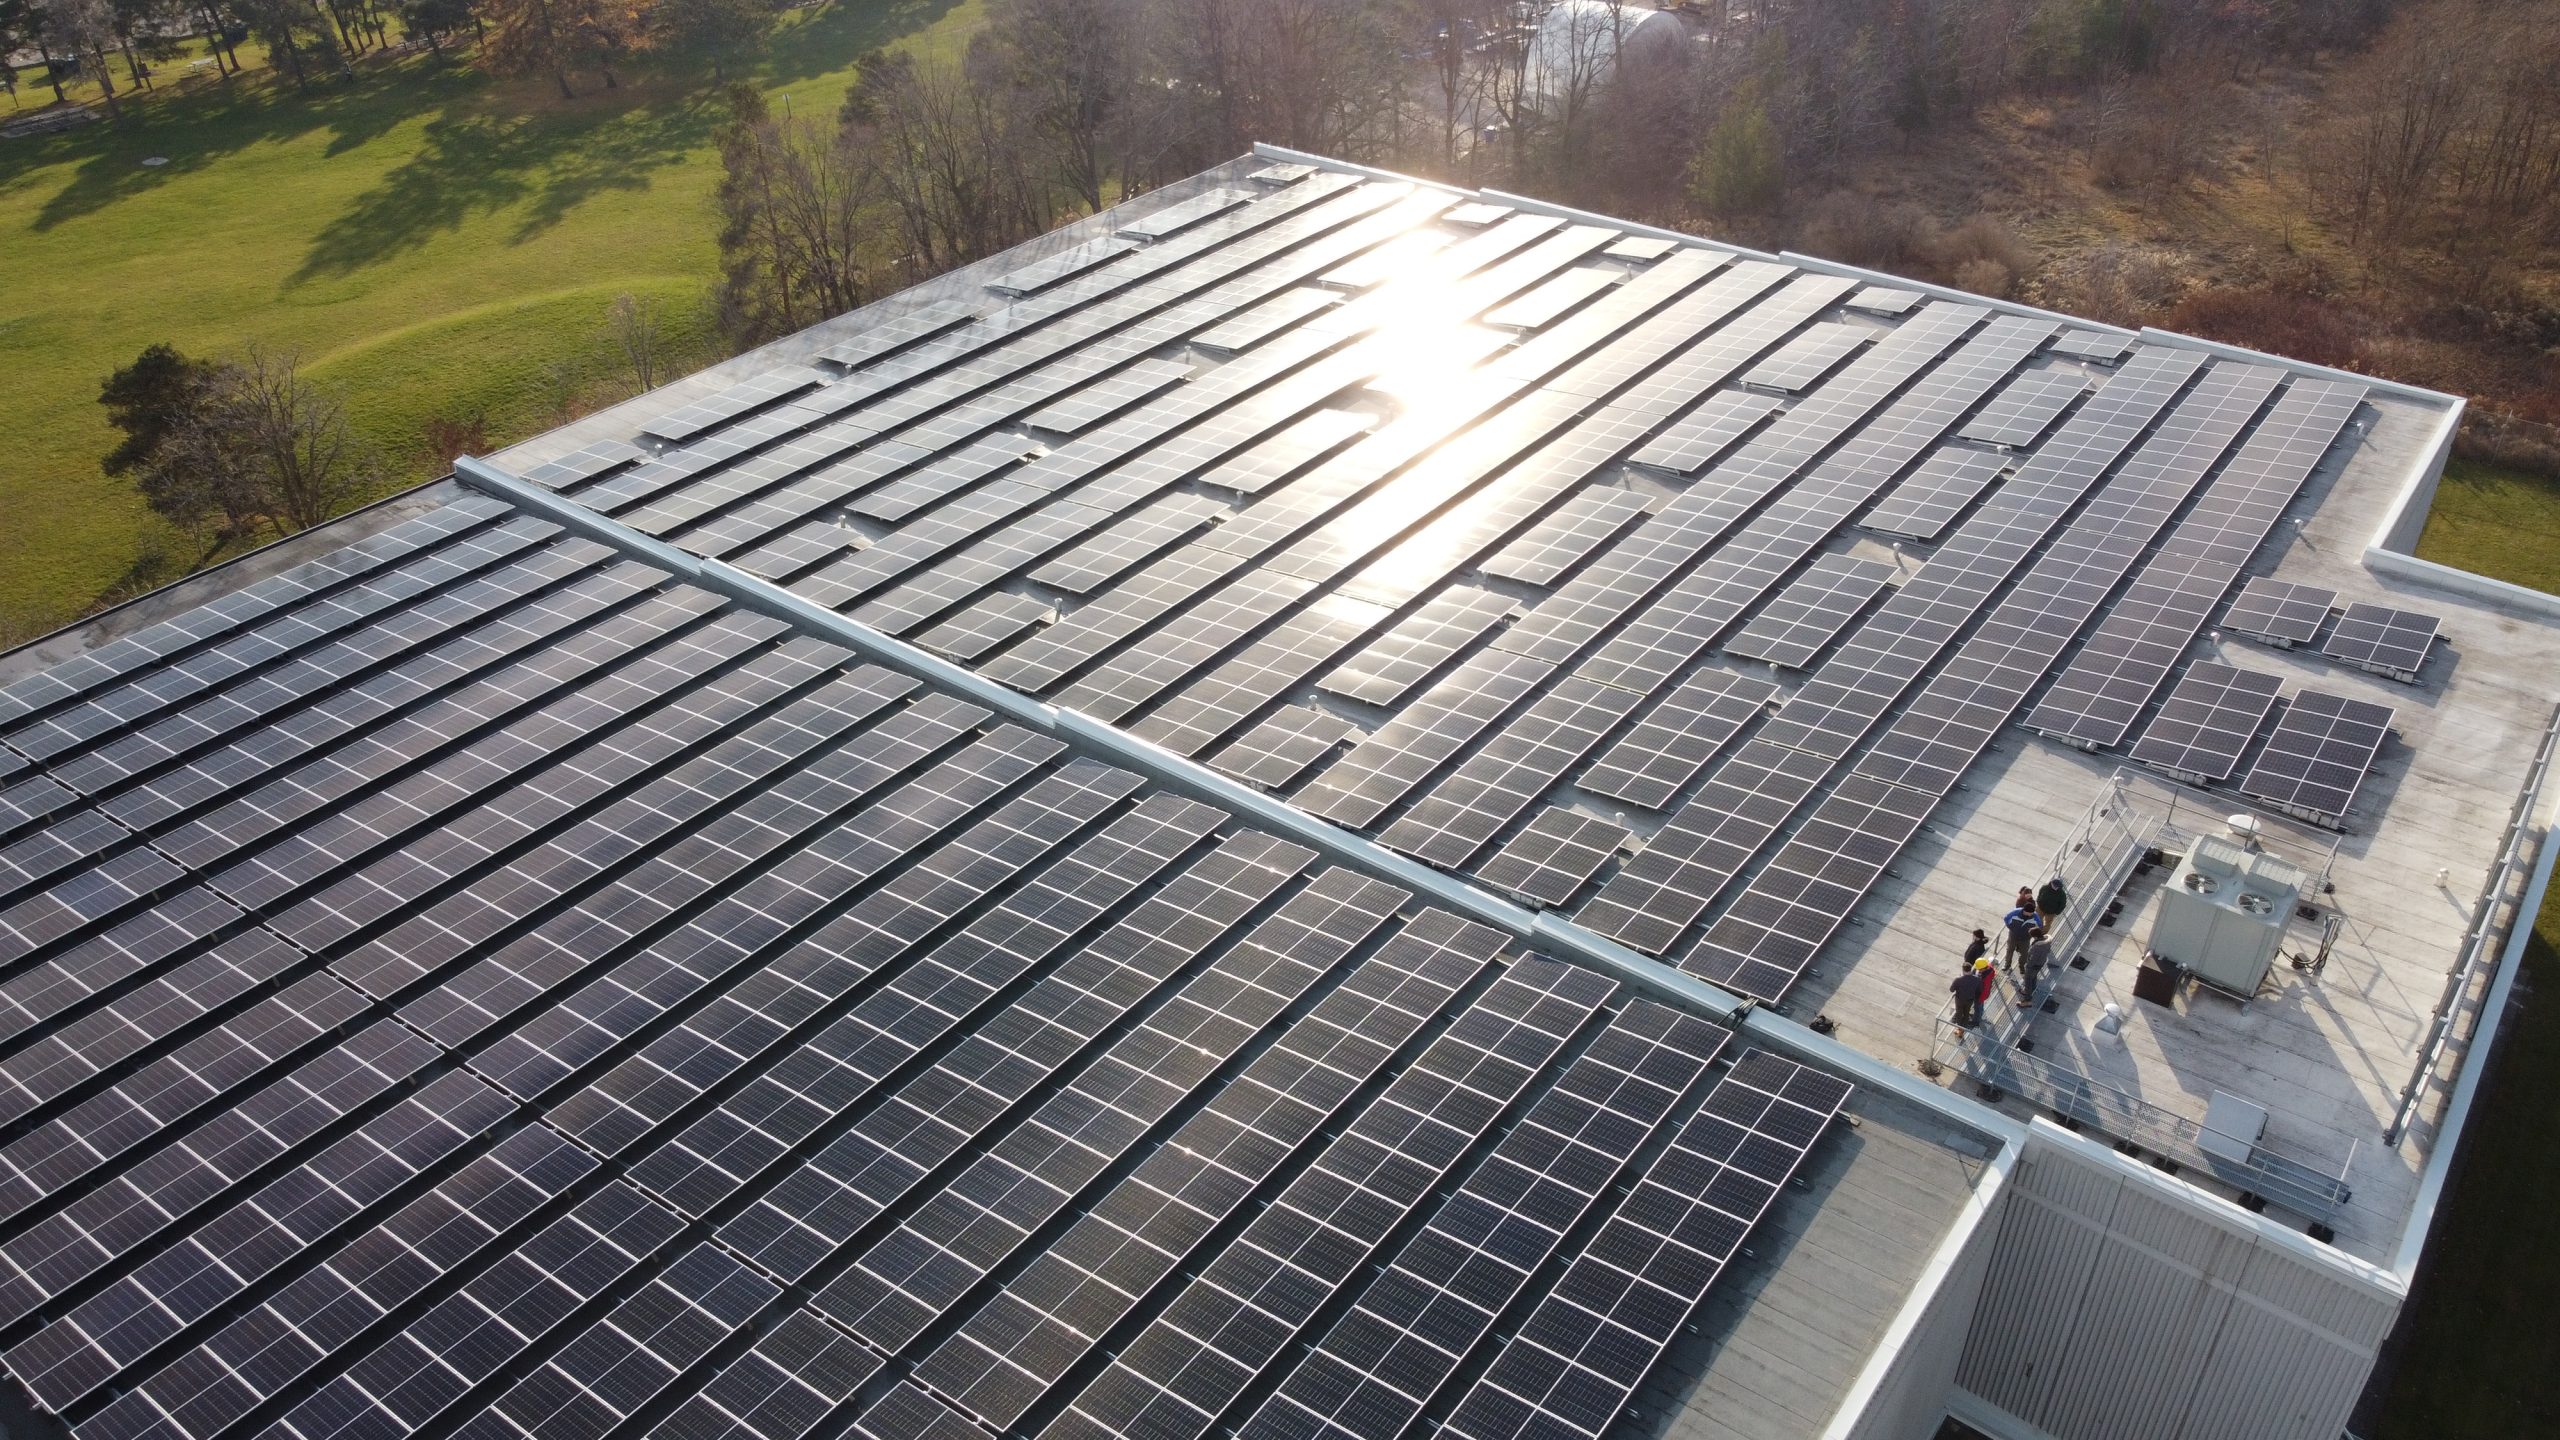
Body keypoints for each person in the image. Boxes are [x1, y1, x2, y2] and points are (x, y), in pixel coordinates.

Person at [2002, 900, 2039, 970]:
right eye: (2030, 913)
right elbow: (2006, 918)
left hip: (2025, 938)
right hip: (2013, 935)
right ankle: (2007, 964)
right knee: (2010, 949)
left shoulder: (2035, 916)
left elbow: (2039, 926)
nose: (2032, 914)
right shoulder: (2014, 913)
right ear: (2025, 911)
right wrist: (2011, 927)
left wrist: (2032, 934)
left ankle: (2021, 965)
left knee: (2024, 953)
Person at [2021, 925, 2053, 1001]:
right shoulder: (2046, 941)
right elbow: (2048, 951)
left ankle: (2027, 998)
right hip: (2040, 963)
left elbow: (2033, 959)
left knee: (2028, 980)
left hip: (2033, 965)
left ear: (2035, 936)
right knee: (2034, 976)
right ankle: (2033, 989)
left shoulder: (2037, 946)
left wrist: (2028, 965)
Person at [1950, 961, 1981, 1026]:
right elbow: (1979, 990)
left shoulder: (1958, 979)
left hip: (1959, 1000)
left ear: (1963, 970)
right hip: (1970, 1000)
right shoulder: (1977, 979)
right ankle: (1965, 1024)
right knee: (1966, 1012)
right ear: (1971, 969)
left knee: (1959, 1013)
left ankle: (1959, 1026)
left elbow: (1951, 989)